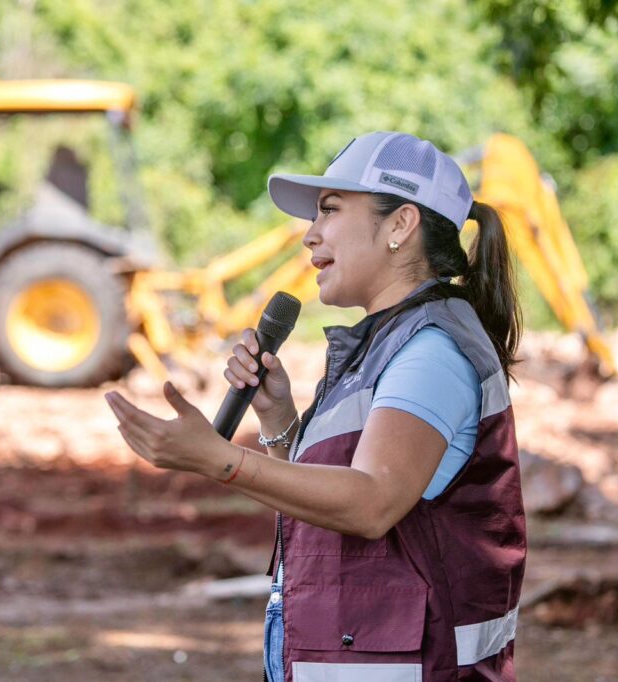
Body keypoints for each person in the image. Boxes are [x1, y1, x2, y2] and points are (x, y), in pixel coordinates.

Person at [105, 131, 526, 681]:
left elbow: (370, 503)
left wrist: (221, 460)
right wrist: (278, 421)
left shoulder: (432, 352)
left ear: (401, 224)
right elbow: (330, 502)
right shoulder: (384, 343)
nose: (310, 235)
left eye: (329, 211)